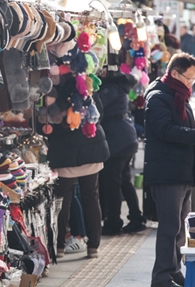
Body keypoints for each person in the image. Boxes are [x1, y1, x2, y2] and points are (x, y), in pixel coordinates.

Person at [144, 52, 195, 287]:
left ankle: (173, 270)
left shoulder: (178, 94)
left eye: (194, 79)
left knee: (178, 228)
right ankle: (161, 276)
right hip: (166, 173)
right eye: (189, 78)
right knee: (169, 227)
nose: (191, 84)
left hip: (181, 170)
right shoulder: (157, 97)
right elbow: (165, 130)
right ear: (175, 73)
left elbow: (183, 130)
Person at [47, 80, 109, 259]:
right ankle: (93, 247)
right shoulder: (87, 89)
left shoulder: (54, 94)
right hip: (91, 147)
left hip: (64, 154)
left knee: (62, 200)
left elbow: (48, 125)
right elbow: (100, 115)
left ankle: (59, 247)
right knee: (91, 197)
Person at [99, 69, 147, 235]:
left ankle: (114, 222)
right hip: (126, 137)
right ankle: (136, 218)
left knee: (113, 182)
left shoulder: (110, 88)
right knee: (124, 180)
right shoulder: (120, 86)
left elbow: (97, 105)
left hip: (117, 140)